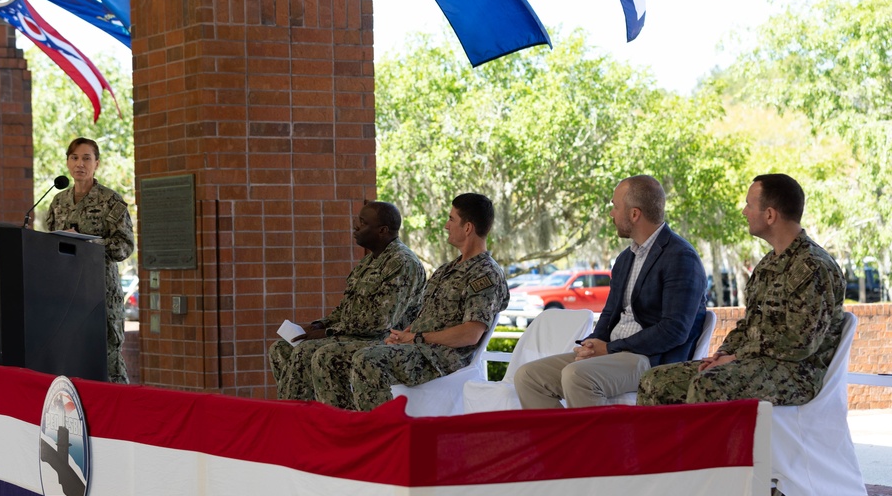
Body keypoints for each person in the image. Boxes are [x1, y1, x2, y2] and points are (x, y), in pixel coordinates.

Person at [637, 174, 845, 406]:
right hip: (753, 364)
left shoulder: (813, 266)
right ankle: (669, 444)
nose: (744, 212)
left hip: (796, 374)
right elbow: (749, 326)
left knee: (708, 386)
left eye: (749, 204)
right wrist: (722, 355)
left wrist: (737, 357)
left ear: (769, 215)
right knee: (656, 381)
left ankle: (711, 444)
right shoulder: (768, 264)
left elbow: (800, 343)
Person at [514, 175, 707, 409]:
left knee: (577, 376)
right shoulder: (625, 259)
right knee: (528, 377)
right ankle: (565, 445)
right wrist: (592, 345)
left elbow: (674, 330)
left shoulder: (681, 256)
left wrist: (611, 348)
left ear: (634, 214)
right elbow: (609, 314)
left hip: (651, 359)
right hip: (613, 353)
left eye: (615, 207)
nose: (611, 214)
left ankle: (601, 446)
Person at [321, 193, 509, 411]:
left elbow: (470, 334)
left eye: (451, 219)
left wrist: (416, 338)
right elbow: (429, 315)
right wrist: (404, 336)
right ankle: (343, 430)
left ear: (467, 228)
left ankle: (383, 434)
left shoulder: (485, 274)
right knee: (330, 356)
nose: (447, 226)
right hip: (418, 347)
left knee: (368, 360)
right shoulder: (447, 269)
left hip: (441, 357)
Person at [268, 201, 425, 407]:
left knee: (313, 353)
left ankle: (330, 423)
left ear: (382, 230)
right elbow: (345, 309)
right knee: (281, 348)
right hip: (355, 335)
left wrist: (329, 333)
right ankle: (302, 418)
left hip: (385, 340)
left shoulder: (402, 262)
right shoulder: (369, 261)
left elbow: (380, 322)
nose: (356, 226)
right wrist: (318, 325)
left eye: (363, 222)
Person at [46, 137, 135, 384]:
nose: (80, 164)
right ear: (67, 162)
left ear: (97, 163)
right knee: (70, 358)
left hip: (101, 292)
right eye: (74, 158)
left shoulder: (110, 201)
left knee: (108, 363)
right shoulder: (58, 202)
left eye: (86, 158)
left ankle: (120, 414)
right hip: (66, 294)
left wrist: (90, 243)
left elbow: (125, 246)